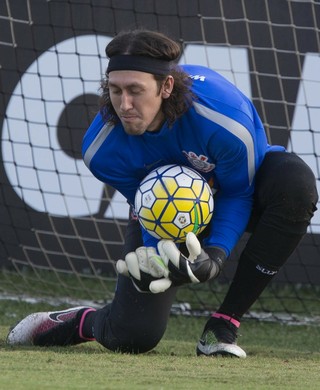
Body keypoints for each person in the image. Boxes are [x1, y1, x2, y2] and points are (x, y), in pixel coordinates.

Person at [7, 29, 318, 358]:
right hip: (168, 214)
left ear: (166, 87)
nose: (124, 105)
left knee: (294, 185)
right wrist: (159, 255)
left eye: (135, 91)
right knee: (133, 336)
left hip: (240, 190)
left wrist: (215, 254)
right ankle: (82, 321)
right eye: (115, 90)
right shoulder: (101, 150)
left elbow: (239, 191)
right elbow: (148, 207)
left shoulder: (223, 119)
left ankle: (222, 327)